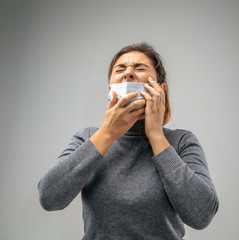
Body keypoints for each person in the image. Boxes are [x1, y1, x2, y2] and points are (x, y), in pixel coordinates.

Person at [38, 42, 219, 240]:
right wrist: (107, 133)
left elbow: (202, 215)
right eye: (120, 69)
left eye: (140, 68)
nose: (129, 73)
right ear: (110, 88)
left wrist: (156, 135)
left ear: (160, 88)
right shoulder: (87, 138)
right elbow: (49, 198)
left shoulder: (181, 142)